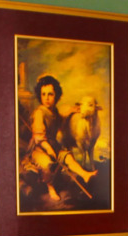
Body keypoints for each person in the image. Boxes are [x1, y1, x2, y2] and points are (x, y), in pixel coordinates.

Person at [21, 74, 96, 202]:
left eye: (50, 94)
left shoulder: (54, 111)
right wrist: (49, 150)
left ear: (56, 96)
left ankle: (84, 174)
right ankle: (51, 187)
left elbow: (59, 119)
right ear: (39, 95)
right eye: (43, 94)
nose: (46, 98)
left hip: (53, 145)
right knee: (48, 163)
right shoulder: (39, 113)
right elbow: (39, 138)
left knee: (68, 156)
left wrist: (71, 110)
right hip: (39, 148)